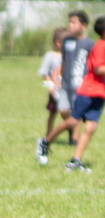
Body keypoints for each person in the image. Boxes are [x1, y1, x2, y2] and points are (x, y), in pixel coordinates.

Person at [45, 16, 105, 172]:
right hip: (89, 90)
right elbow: (98, 69)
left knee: (91, 127)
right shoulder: (100, 46)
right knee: (73, 121)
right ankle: (46, 141)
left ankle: (75, 160)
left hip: (101, 93)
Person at [35, 28, 71, 164]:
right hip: (54, 91)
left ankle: (72, 135)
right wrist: (50, 84)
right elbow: (45, 72)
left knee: (68, 114)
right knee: (52, 113)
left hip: (67, 91)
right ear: (58, 42)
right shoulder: (51, 56)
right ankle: (48, 135)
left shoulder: (70, 55)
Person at [61, 10, 95, 144]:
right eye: (69, 22)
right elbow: (63, 60)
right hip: (66, 82)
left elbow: (92, 63)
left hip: (81, 82)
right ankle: (71, 126)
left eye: (74, 23)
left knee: (77, 109)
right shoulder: (66, 41)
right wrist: (59, 77)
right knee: (64, 110)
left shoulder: (89, 43)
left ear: (83, 25)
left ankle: (74, 139)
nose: (70, 25)